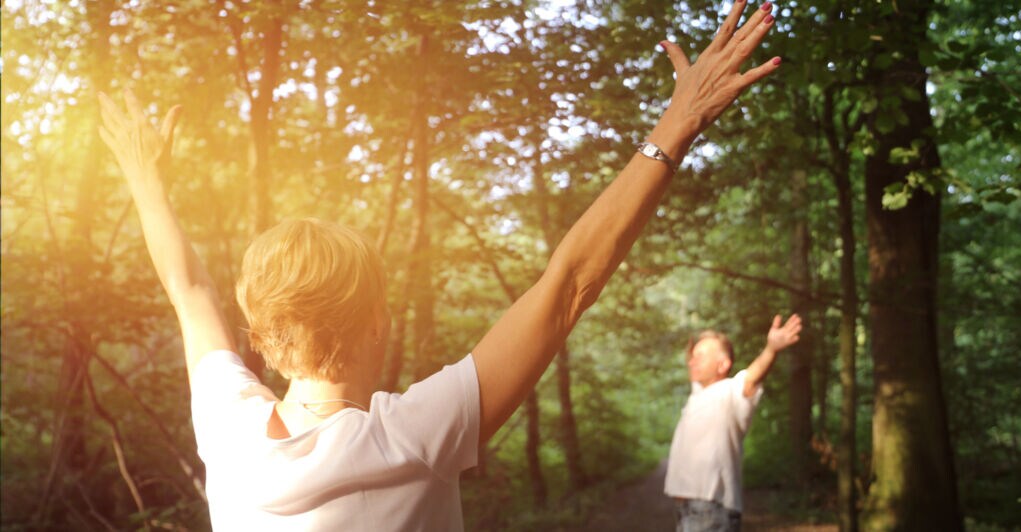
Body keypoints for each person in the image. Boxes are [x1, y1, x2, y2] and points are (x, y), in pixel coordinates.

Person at [96, 1, 781, 529]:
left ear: (264, 335)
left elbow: (187, 288)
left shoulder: (227, 428)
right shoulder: (416, 435)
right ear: (375, 324)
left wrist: (144, 179)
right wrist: (677, 122)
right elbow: (569, 283)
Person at [664, 314, 803, 532]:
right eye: (692, 357)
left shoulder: (731, 392)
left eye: (700, 356)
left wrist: (771, 349)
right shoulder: (698, 394)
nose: (692, 361)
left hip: (711, 509)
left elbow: (753, 377)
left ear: (723, 365)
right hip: (687, 509)